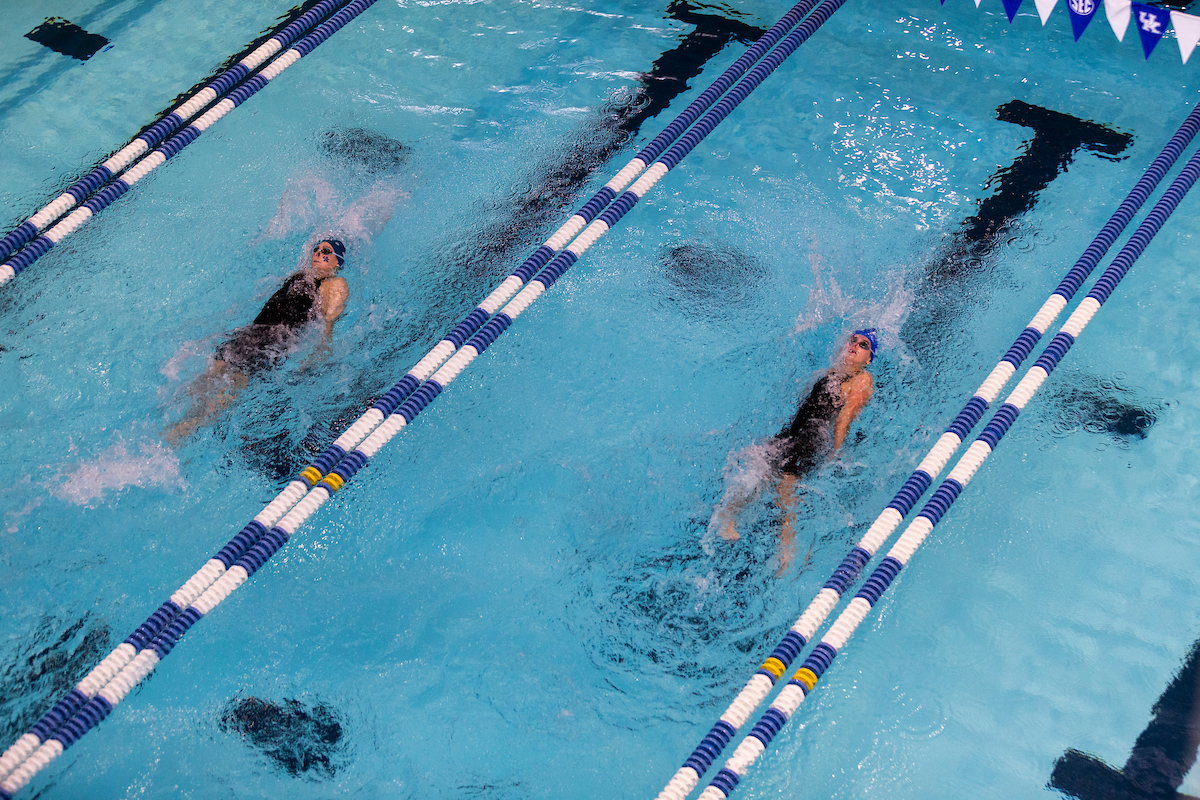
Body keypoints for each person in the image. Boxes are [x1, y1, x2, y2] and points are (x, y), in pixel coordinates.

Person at [715, 329, 877, 574]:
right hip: (793, 433)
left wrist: (835, 453)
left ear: (869, 359)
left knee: (786, 486)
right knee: (761, 467)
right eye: (852, 340)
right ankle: (727, 518)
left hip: (812, 438)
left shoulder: (862, 380)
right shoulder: (830, 374)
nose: (854, 345)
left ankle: (787, 552)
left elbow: (844, 419)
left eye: (863, 345)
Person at [164, 239, 350, 444]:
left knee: (221, 390)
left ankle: (177, 434)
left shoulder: (334, 284)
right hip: (251, 336)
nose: (317, 253)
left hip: (268, 343)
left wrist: (315, 357)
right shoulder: (299, 277)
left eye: (325, 251)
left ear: (337, 262)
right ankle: (177, 433)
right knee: (212, 383)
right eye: (315, 249)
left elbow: (328, 326)